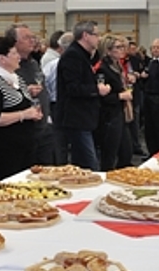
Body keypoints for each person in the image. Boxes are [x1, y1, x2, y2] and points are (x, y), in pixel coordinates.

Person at [0, 36, 42, 183]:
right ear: (2, 58)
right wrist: (24, 114)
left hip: (25, 145)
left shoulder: (17, 79)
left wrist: (33, 112)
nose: (18, 57)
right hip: (4, 148)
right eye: (14, 54)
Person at [54, 20, 110, 170]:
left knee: (84, 163)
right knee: (90, 164)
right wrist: (96, 89)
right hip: (76, 118)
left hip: (85, 118)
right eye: (96, 34)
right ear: (85, 35)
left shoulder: (85, 55)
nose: (99, 39)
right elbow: (72, 87)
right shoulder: (73, 56)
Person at [7, 23, 54, 165]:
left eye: (33, 37)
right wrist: (25, 91)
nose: (32, 40)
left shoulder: (34, 63)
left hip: (43, 127)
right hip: (23, 131)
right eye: (26, 37)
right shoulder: (9, 68)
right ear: (14, 42)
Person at [94, 35, 134, 171]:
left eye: (122, 47)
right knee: (109, 153)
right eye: (118, 47)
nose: (122, 50)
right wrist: (120, 95)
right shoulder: (102, 69)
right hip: (109, 116)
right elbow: (101, 96)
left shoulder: (118, 66)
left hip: (120, 113)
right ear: (108, 50)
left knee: (126, 152)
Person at [42, 32, 73, 162]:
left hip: (58, 105)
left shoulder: (52, 64)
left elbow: (45, 84)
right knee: (60, 141)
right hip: (60, 105)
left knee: (61, 142)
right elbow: (44, 85)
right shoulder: (53, 63)